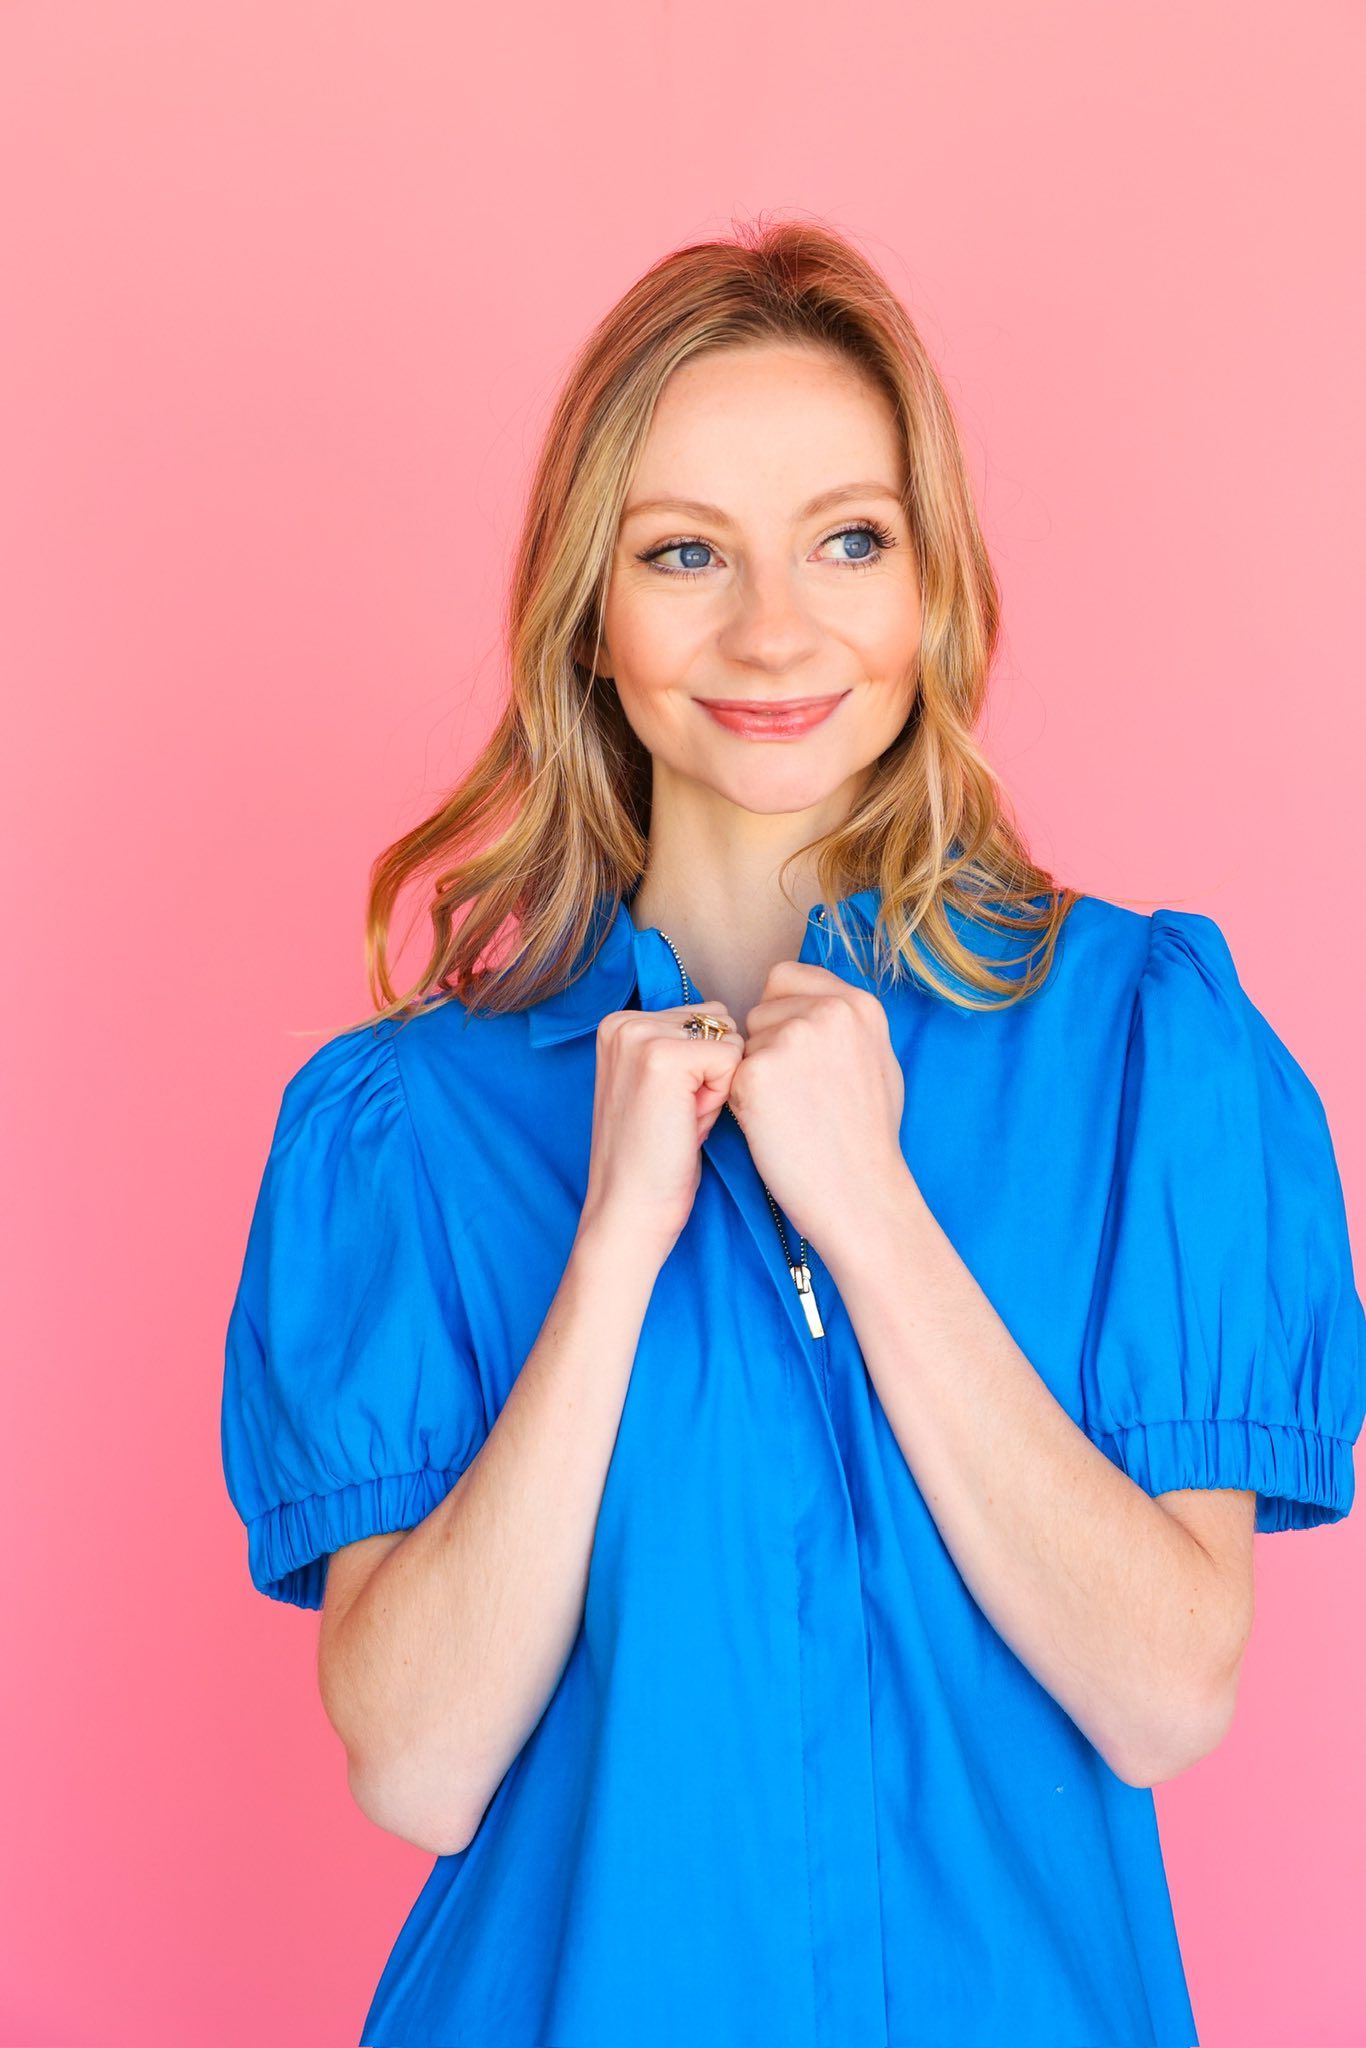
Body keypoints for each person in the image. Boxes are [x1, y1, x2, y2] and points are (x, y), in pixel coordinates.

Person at [220, 219, 1366, 2048]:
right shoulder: (405, 1133)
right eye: (685, 554)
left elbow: (1165, 1692)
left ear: (935, 589)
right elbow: (419, 1768)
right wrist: (608, 1255)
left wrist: (870, 1213)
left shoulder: (1149, 1053)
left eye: (848, 539)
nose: (773, 630)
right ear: (591, 612)